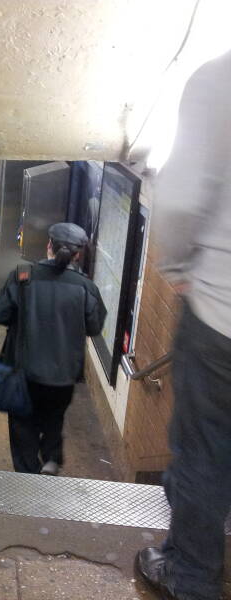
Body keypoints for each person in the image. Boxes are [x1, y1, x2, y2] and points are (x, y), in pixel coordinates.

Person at [135, 51, 231, 600]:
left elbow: (180, 198)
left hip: (222, 313)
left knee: (202, 447)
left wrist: (177, 268)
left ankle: (191, 576)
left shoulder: (220, 78)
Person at [0, 223, 106, 475]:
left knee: (22, 425)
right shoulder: (87, 288)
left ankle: (28, 474)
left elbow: (0, 313)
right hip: (63, 374)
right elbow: (95, 326)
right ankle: (52, 458)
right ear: (78, 254)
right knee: (54, 417)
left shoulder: (23, 276)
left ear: (48, 246)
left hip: (24, 370)